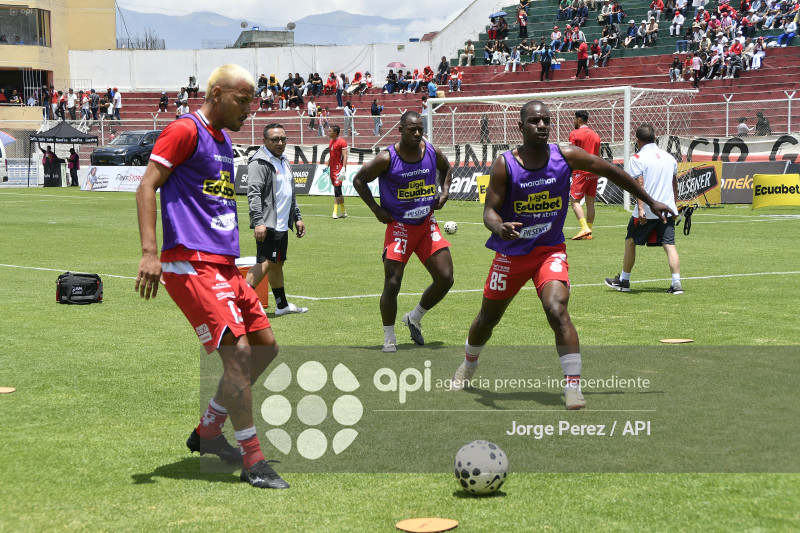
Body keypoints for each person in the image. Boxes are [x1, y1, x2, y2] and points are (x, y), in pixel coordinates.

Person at [449, 101, 674, 410]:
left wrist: (650, 200)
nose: (541, 125)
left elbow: (611, 170)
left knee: (557, 309)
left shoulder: (565, 155)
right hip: (511, 254)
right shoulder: (505, 164)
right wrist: (499, 227)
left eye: (546, 121)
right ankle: (468, 365)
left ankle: (572, 387)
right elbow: (489, 211)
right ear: (521, 126)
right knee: (487, 320)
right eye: (534, 121)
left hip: (549, 252)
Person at [135, 64, 290, 489]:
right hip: (190, 262)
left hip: (223, 263)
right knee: (239, 356)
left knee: (265, 347)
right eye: (243, 101)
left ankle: (207, 432)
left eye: (252, 102)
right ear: (217, 94)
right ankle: (252, 460)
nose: (249, 110)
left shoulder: (223, 139)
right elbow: (147, 185)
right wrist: (151, 252)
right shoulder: (186, 130)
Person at [352, 111, 454, 353]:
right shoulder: (387, 158)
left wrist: (445, 191)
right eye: (411, 129)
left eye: (420, 129)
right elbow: (359, 180)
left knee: (446, 278)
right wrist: (376, 209)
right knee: (393, 282)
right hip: (399, 227)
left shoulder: (430, 151)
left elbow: (447, 167)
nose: (417, 133)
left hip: (427, 225)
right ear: (400, 129)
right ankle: (389, 336)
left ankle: (414, 317)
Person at [605, 123, 682, 296]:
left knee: (630, 241)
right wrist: (674, 207)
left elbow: (639, 184)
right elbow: (674, 183)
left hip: (647, 210)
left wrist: (640, 208)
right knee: (669, 245)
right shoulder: (669, 157)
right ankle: (676, 284)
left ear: (637, 140)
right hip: (666, 210)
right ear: (654, 138)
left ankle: (624, 281)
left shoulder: (637, 158)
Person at [246, 123, 308, 316]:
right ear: (264, 141)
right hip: (268, 223)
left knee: (277, 262)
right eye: (274, 139)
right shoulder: (260, 162)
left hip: (283, 222)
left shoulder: (284, 160)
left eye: (282, 139)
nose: (279, 143)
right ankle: (236, 304)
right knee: (266, 262)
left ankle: (281, 305)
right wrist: (258, 221)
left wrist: (297, 217)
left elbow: (290, 193)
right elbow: (253, 194)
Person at [567, 110, 602, 241]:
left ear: (579, 119)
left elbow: (572, 153)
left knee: (574, 201)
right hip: (594, 171)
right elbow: (598, 154)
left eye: (574, 119)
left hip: (580, 172)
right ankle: (589, 231)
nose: (573, 121)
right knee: (590, 203)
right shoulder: (596, 135)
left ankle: (584, 228)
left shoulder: (575, 134)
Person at [326, 124, 349, 219]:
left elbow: (345, 156)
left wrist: (343, 168)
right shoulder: (331, 142)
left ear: (335, 132)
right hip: (332, 170)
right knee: (339, 191)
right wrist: (326, 166)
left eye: (330, 131)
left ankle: (335, 212)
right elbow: (331, 156)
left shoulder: (342, 142)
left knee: (336, 191)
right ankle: (343, 212)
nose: (328, 132)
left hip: (338, 170)